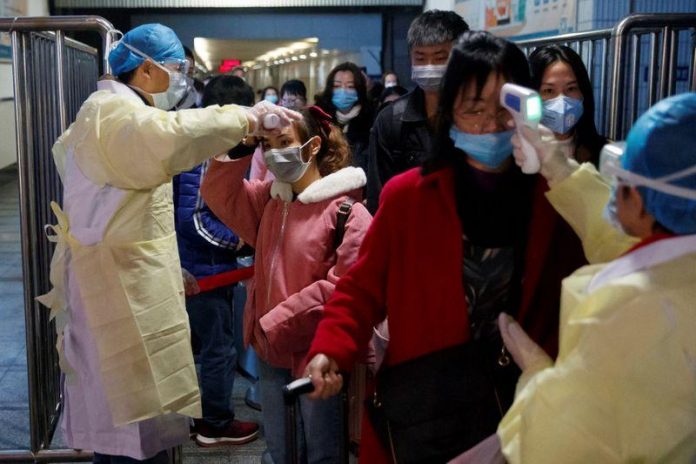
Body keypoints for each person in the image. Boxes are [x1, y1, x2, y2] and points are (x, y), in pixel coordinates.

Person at [304, 31, 593, 463]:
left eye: (505, 109)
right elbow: (361, 287)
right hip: (428, 409)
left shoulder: (555, 198)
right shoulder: (409, 197)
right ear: (450, 112)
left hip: (524, 408)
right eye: (473, 109)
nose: (491, 124)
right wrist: (332, 347)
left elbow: (586, 290)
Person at [36, 23, 298, 463]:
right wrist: (245, 117)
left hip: (130, 278)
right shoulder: (113, 115)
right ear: (145, 69)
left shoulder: (119, 114)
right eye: (177, 69)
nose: (181, 80)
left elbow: (125, 211)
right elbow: (170, 138)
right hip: (117, 294)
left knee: (143, 419)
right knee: (128, 422)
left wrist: (167, 268)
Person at [490, 93, 696, 463]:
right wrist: (556, 165)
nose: (614, 194)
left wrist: (538, 378)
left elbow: (556, 447)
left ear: (642, 197)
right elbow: (625, 243)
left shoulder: (630, 309)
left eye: (621, 181)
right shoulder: (680, 262)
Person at [201, 106, 372, 464]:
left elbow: (345, 288)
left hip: (318, 353)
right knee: (281, 450)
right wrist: (246, 142)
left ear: (311, 147)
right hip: (269, 349)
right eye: (267, 144)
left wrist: (276, 320)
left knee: (323, 451)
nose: (274, 153)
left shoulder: (347, 213)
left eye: (284, 142)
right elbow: (217, 192)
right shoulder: (270, 201)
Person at [173, 74, 259, 447]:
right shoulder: (202, 155)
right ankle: (215, 423)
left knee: (212, 347)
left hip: (209, 266)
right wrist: (237, 241)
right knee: (218, 349)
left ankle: (203, 416)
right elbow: (191, 218)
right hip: (204, 268)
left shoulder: (214, 149)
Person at [366, 9, 469, 214]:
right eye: (420, 58)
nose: (429, 66)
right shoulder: (391, 121)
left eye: (440, 58)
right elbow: (379, 201)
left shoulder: (478, 119)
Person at [530, 44, 607, 165]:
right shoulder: (518, 155)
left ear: (583, 92)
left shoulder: (606, 154)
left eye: (571, 88)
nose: (562, 102)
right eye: (549, 90)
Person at [317, 61, 375, 173]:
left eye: (350, 86)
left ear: (359, 89)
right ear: (330, 89)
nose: (343, 91)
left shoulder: (372, 119)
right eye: (337, 86)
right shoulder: (319, 119)